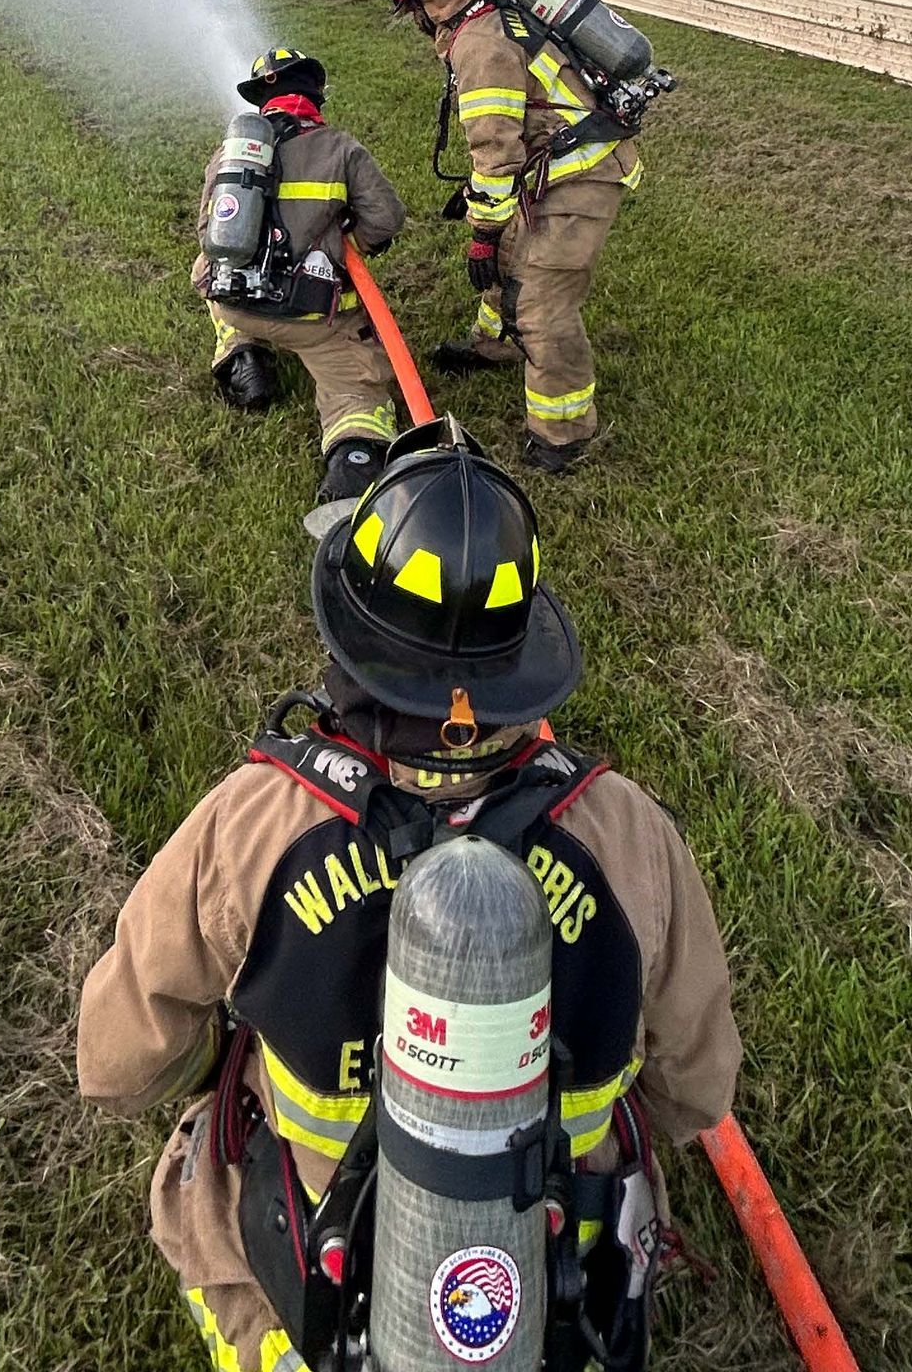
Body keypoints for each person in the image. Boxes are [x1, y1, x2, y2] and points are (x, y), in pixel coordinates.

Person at [77, 419, 741, 1372]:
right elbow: (694, 1088)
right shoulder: (628, 832)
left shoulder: (255, 824)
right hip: (556, 1304)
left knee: (196, 1170)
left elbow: (116, 1063)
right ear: (520, 668)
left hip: (313, 1295)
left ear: (353, 648)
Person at [377, 0, 642, 473]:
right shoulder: (492, 11)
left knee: (543, 303)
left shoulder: (479, 44)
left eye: (411, 9)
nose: (415, 22)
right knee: (507, 263)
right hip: (550, 165)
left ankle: (563, 433)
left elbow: (495, 154)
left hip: (583, 175)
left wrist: (482, 231)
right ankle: (494, 343)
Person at [199, 46, 408, 506]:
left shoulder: (229, 156)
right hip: (313, 318)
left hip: (238, 306)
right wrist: (349, 242)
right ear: (316, 95)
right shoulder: (341, 148)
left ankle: (241, 355)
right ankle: (353, 465)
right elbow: (387, 220)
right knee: (356, 389)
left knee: (205, 269)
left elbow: (206, 232)